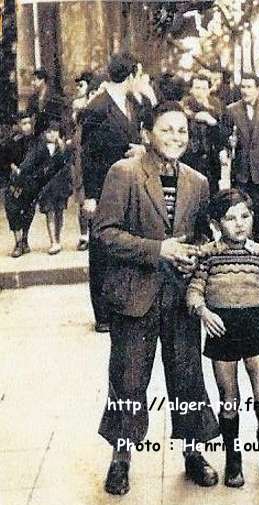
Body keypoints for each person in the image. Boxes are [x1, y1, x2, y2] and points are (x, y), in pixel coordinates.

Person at [93, 101, 219, 496]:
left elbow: (198, 237)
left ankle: (193, 451)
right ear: (148, 133)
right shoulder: (124, 173)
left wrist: (197, 254)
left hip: (179, 298)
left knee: (187, 377)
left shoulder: (198, 181)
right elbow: (105, 233)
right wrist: (158, 249)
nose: (176, 138)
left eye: (182, 131)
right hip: (135, 296)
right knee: (129, 380)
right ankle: (121, 457)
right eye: (167, 130)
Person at [187, 188, 259, 488]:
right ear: (216, 224)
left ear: (253, 218)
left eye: (245, 216)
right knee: (229, 400)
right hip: (221, 332)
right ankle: (233, 458)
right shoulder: (208, 254)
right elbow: (194, 290)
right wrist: (204, 312)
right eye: (230, 218)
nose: (239, 224)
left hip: (252, 329)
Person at [81, 53, 145, 333]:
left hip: (127, 184)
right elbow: (87, 156)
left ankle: (122, 304)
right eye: (138, 75)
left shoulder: (132, 103)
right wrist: (90, 197)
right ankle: (102, 314)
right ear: (130, 75)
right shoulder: (97, 108)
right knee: (101, 250)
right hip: (104, 187)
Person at [221, 72, 259, 224]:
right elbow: (225, 140)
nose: (245, 91)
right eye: (243, 87)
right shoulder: (231, 110)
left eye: (249, 87)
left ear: (258, 89)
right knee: (241, 211)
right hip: (241, 173)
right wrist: (229, 143)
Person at [2, 111, 39, 257]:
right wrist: (11, 166)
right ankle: (17, 243)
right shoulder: (10, 142)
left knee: (29, 212)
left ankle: (25, 239)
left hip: (30, 183)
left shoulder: (35, 142)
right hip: (13, 183)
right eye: (24, 123)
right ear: (18, 125)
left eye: (29, 123)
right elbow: (4, 161)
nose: (27, 126)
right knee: (13, 211)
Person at [181, 74, 224, 193]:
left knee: (211, 191)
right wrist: (195, 116)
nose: (200, 92)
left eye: (204, 88)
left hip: (211, 159)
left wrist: (212, 122)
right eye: (197, 88)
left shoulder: (216, 105)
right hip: (191, 158)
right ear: (191, 89)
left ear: (209, 90)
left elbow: (222, 132)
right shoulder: (185, 105)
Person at [36, 121, 72, 254]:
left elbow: (68, 166)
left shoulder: (63, 147)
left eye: (55, 131)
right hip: (46, 187)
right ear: (45, 133)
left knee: (59, 213)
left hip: (60, 186)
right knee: (49, 213)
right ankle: (53, 242)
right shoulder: (39, 147)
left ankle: (58, 238)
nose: (52, 134)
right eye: (49, 131)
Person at [71, 71, 94, 251]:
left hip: (92, 157)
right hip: (79, 157)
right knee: (82, 198)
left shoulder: (94, 106)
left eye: (82, 85)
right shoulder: (77, 106)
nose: (78, 88)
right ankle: (84, 235)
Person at [27, 68, 64, 135]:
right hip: (37, 133)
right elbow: (29, 114)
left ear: (42, 80)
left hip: (51, 133)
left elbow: (58, 118)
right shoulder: (32, 98)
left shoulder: (54, 97)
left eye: (35, 80)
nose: (32, 83)